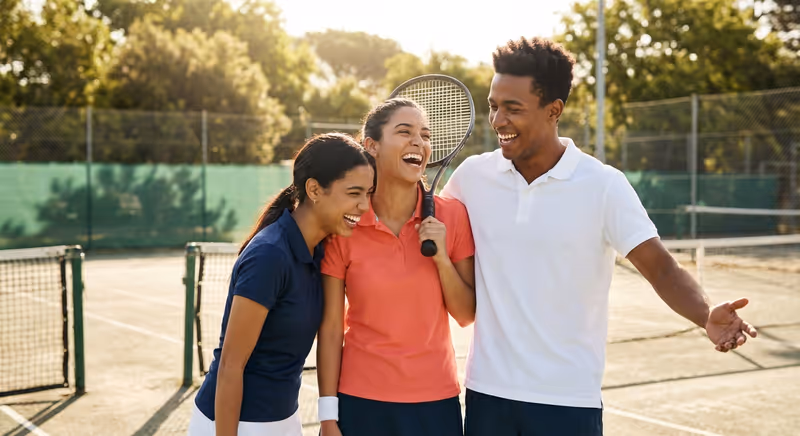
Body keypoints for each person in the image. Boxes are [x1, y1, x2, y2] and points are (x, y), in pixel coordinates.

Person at [439, 36, 758, 436]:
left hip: (567, 402)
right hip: (486, 394)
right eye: (493, 106)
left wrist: (704, 316)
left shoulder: (604, 185)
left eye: (512, 108)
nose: (498, 120)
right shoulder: (471, 177)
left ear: (554, 110)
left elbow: (661, 269)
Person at [188, 133, 375, 436]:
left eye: (369, 193)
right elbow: (231, 366)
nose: (364, 206)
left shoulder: (320, 250)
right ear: (314, 189)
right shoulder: (270, 255)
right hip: (233, 424)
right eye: (354, 193)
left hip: (283, 419)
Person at [316, 98, 476, 436]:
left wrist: (441, 258)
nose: (418, 141)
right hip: (360, 400)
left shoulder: (454, 216)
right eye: (404, 132)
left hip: (436, 402)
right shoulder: (346, 223)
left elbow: (465, 314)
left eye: (425, 135)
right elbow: (331, 327)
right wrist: (328, 415)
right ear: (371, 146)